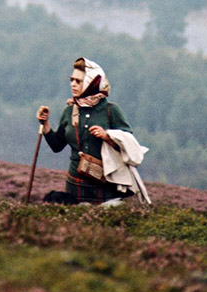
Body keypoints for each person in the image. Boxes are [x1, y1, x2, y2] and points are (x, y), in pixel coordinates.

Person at [36, 57, 135, 204]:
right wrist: (45, 125)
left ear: (91, 82)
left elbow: (129, 144)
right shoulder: (69, 111)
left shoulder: (110, 111)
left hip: (106, 187)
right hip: (75, 187)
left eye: (78, 81)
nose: (73, 84)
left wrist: (107, 136)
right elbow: (57, 146)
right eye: (72, 80)